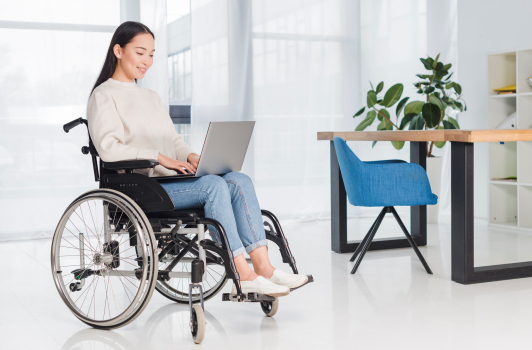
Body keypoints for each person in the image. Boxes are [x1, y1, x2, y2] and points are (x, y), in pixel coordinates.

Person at [87, 21, 308, 297]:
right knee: (214, 185)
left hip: (169, 183)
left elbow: (173, 141)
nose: (147, 61)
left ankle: (264, 268)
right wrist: (158, 158)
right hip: (139, 188)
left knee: (238, 180)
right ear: (118, 51)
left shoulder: (151, 97)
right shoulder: (103, 95)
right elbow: (109, 149)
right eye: (140, 52)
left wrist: (190, 155)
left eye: (152, 54)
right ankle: (243, 272)